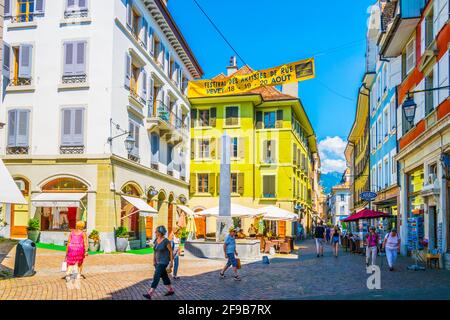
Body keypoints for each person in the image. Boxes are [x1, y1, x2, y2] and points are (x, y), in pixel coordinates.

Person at [143, 226, 175, 299]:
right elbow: (155, 251)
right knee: (164, 276)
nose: (155, 232)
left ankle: (150, 293)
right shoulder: (156, 240)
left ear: (160, 232)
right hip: (157, 262)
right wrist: (154, 260)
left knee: (156, 276)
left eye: (156, 231)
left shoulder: (166, 241)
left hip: (164, 262)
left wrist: (171, 263)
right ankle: (171, 290)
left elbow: (170, 251)